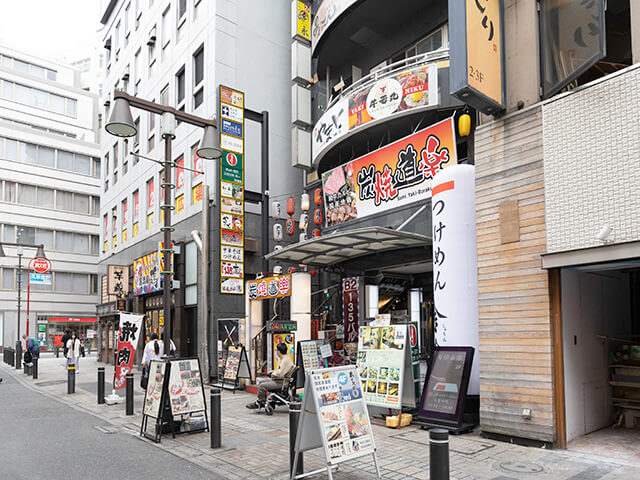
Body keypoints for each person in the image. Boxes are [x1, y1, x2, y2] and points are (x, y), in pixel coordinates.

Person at [246, 342, 295, 411]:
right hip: (280, 381)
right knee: (260, 382)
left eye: (276, 350)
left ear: (279, 351)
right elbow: (281, 371)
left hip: (280, 383)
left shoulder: (285, 361)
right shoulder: (286, 358)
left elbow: (280, 373)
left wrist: (273, 373)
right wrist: (273, 371)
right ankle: (262, 401)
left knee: (262, 385)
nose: (276, 352)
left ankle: (260, 402)